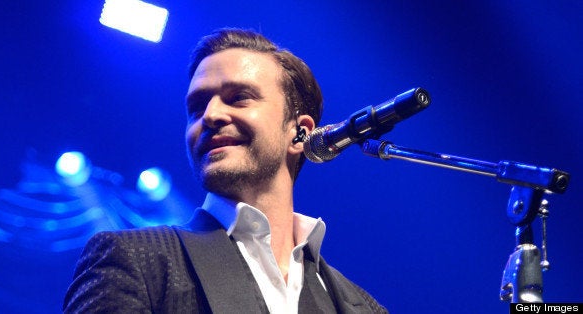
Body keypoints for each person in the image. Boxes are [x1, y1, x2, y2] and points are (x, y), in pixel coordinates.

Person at [63, 28, 387, 313]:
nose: (211, 115)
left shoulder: (359, 306)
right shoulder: (135, 259)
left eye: (238, 98)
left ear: (300, 133)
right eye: (197, 106)